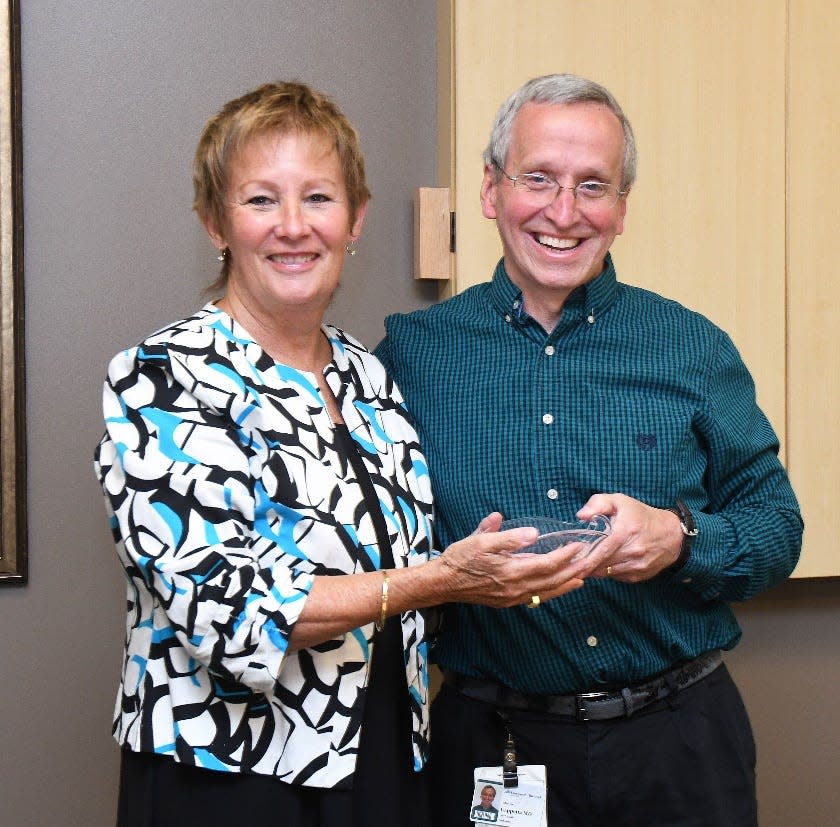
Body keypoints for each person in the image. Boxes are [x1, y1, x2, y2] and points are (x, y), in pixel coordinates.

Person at [93, 81, 601, 827]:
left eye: (319, 199)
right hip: (230, 778)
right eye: (261, 200)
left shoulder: (369, 376)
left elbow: (411, 555)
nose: (294, 227)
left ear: (356, 218)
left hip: (388, 761)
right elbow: (232, 615)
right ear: (214, 222)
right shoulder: (162, 378)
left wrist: (520, 560)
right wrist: (439, 580)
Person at [375, 74, 803, 826]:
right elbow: (363, 550)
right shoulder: (411, 357)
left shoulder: (691, 346)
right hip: (494, 743)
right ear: (489, 189)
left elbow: (777, 524)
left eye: (593, 186)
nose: (563, 212)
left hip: (681, 744)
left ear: (622, 209)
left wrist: (682, 538)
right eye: (538, 178)